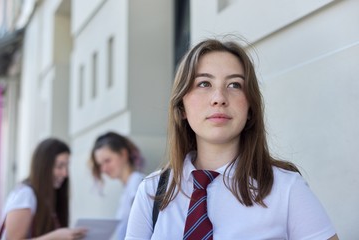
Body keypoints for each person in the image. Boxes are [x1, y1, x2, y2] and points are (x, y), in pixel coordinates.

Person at [125, 38, 339, 239]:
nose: (219, 98)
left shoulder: (287, 188)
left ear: (250, 108)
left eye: (235, 85)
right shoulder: (152, 191)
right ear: (181, 107)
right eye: (204, 84)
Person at [0, 138, 87, 240]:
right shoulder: (25, 194)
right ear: (43, 166)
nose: (65, 173)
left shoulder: (48, 197)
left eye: (66, 166)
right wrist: (55, 237)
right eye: (59, 166)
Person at [89, 131, 145, 240]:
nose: (104, 169)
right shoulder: (128, 187)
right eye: (100, 164)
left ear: (123, 154)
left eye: (107, 161)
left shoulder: (138, 184)